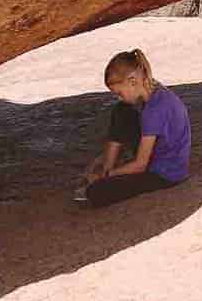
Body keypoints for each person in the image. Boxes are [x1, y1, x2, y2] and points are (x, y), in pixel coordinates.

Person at [75, 47, 191, 208]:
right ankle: (107, 167)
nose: (119, 96)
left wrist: (107, 177)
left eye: (120, 92)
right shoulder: (155, 90)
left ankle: (105, 174)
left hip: (166, 173)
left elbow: (140, 165)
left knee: (96, 192)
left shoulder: (154, 110)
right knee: (122, 110)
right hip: (160, 155)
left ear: (133, 81)